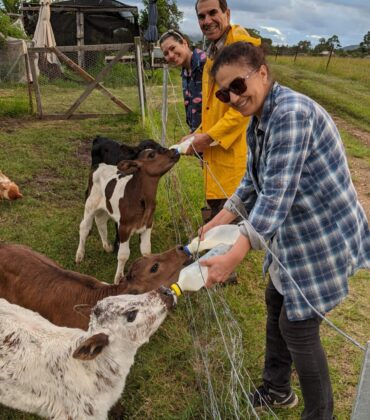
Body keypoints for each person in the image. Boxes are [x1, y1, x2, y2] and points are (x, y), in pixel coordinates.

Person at [200, 41, 370, 419]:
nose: (233, 98)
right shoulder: (260, 120)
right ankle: (278, 389)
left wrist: (233, 255)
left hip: (321, 236)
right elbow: (252, 182)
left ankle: (319, 414)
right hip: (294, 235)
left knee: (298, 328)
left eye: (238, 85)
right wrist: (218, 221)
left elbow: (275, 196)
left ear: (262, 72)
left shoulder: (290, 114)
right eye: (224, 93)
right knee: (277, 302)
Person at [181, 0, 261, 222]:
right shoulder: (215, 50)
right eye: (201, 16)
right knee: (220, 228)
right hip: (218, 157)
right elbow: (213, 108)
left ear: (227, 13)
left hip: (234, 162)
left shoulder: (240, 49)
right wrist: (198, 132)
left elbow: (241, 110)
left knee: (227, 237)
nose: (207, 21)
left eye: (213, 13)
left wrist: (207, 138)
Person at [159, 29, 206, 133]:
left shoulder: (206, 65)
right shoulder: (185, 72)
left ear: (184, 43)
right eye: (166, 53)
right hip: (197, 137)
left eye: (173, 48)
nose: (170, 55)